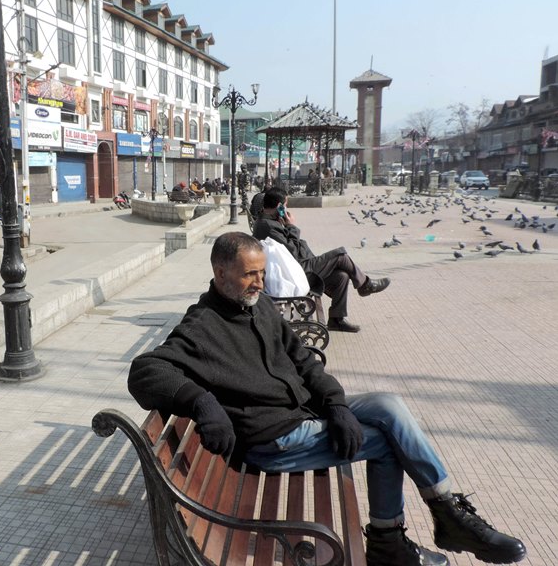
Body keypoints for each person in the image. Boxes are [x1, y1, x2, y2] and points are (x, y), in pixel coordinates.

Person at [128, 232, 526, 566]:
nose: (260, 283)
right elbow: (145, 371)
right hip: (275, 439)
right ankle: (389, 545)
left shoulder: (260, 306)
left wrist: (334, 403)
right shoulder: (202, 326)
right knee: (387, 444)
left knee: (388, 404)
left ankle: (447, 510)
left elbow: (302, 359)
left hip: (303, 411)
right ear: (220, 272)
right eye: (250, 274)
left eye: (263, 273)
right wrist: (201, 401)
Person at [253, 187, 389, 333]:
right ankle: (365, 285)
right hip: (296, 271)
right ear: (279, 206)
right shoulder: (267, 226)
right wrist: (291, 226)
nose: (286, 209)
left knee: (341, 277)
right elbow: (292, 251)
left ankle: (337, 319)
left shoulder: (270, 222)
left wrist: (286, 225)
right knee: (341, 255)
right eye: (285, 205)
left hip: (297, 267)